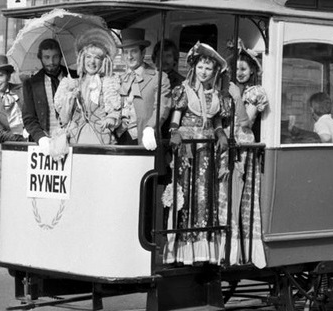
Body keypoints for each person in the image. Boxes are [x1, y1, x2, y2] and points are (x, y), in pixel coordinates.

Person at [161, 43, 230, 265]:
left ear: (214, 71)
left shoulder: (217, 95)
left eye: (208, 68)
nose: (203, 72)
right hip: (188, 149)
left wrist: (220, 133)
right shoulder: (184, 90)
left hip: (207, 150)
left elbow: (216, 120)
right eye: (200, 67)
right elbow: (176, 116)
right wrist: (174, 132)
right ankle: (182, 247)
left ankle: (204, 248)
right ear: (194, 68)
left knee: (204, 193)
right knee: (186, 192)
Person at [227, 48, 269, 267]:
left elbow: (246, 123)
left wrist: (236, 97)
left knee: (242, 196)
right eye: (236, 69)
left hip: (243, 147)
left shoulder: (254, 92)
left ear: (252, 70)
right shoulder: (233, 90)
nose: (239, 72)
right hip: (229, 146)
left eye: (243, 68)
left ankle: (244, 250)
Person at [53, 28, 122, 146]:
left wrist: (110, 119)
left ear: (103, 61)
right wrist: (70, 98)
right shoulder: (72, 83)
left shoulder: (108, 83)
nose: (92, 61)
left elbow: (116, 111)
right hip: (75, 138)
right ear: (82, 58)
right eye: (88, 57)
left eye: (97, 58)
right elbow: (64, 120)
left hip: (100, 138)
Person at [114, 29, 171, 150]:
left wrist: (151, 127)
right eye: (126, 52)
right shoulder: (119, 79)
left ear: (143, 52)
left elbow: (162, 107)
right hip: (120, 138)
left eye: (134, 51)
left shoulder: (159, 78)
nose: (129, 56)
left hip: (144, 139)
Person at [22, 39, 77, 154]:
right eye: (46, 57)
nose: (51, 62)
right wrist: (41, 138)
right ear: (40, 58)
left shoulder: (76, 77)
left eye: (55, 57)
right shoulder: (31, 84)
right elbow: (29, 118)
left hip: (74, 140)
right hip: (45, 143)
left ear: (61, 56)